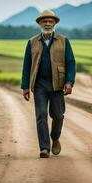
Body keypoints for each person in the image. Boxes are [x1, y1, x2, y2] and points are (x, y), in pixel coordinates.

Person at [21, 9, 76, 158]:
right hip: (39, 85)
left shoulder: (64, 41)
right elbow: (27, 65)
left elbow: (70, 62)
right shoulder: (32, 42)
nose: (47, 23)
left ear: (54, 23)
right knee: (41, 115)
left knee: (58, 115)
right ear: (39, 23)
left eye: (50, 21)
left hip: (57, 84)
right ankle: (44, 148)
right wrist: (25, 86)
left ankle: (55, 137)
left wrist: (69, 82)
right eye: (44, 21)